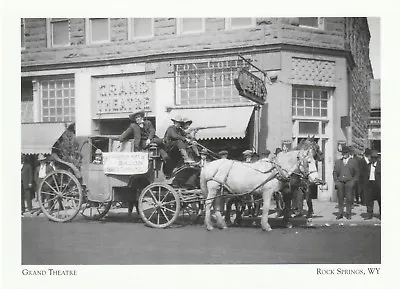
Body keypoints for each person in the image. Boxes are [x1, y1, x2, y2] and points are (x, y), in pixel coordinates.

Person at [333, 145, 359, 219]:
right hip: (340, 182)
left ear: (348, 153)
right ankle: (340, 213)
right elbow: (334, 172)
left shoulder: (353, 162)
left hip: (349, 182)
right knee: (340, 198)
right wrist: (336, 181)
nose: (344, 154)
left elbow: (357, 173)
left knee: (349, 198)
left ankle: (348, 213)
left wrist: (353, 181)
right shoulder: (338, 162)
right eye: (343, 153)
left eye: (346, 153)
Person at [364, 150, 381, 219]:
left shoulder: (381, 165)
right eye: (372, 157)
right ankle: (369, 214)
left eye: (375, 158)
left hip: (378, 185)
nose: (373, 159)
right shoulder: (368, 165)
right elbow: (365, 175)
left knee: (380, 200)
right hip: (370, 184)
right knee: (369, 200)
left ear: (377, 158)